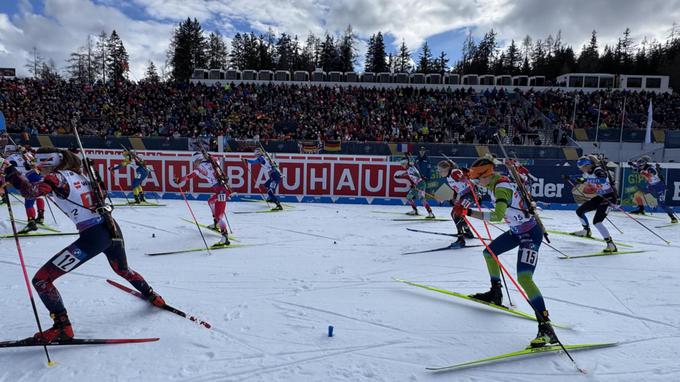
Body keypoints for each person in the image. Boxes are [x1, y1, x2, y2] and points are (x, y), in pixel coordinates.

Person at [1, 147, 164, 343]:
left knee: (42, 281)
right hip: (111, 228)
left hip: (93, 237)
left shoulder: (56, 178)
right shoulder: (80, 175)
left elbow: (30, 192)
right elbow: (100, 192)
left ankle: (63, 328)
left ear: (48, 162)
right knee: (122, 269)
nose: (36, 165)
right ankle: (152, 295)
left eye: (39, 161)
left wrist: (10, 171)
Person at [454, 157, 557, 348]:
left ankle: (546, 328)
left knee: (525, 278)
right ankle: (496, 293)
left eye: (478, 178)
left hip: (529, 234)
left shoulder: (501, 187)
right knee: (489, 253)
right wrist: (466, 176)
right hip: (517, 231)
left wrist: (467, 213)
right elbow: (472, 180)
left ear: (487, 174)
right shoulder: (492, 181)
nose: (476, 182)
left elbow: (497, 216)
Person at [565, 155, 618, 253]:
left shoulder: (598, 170)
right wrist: (570, 177)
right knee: (579, 211)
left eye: (582, 167)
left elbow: (602, 180)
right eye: (580, 168)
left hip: (610, 197)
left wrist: (586, 181)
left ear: (588, 165)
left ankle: (611, 245)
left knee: (597, 222)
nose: (581, 169)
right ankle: (586, 231)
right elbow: (582, 178)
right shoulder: (587, 173)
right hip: (601, 197)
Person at [179, 152, 231, 246]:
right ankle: (216, 224)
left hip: (221, 191)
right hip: (223, 189)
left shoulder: (201, 167)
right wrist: (209, 156)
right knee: (211, 201)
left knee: (219, 216)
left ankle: (225, 237)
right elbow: (216, 160)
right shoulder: (213, 162)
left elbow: (191, 176)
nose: (194, 164)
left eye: (195, 162)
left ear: (198, 160)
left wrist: (180, 180)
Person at [4, 145, 46, 233]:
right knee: (39, 196)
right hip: (38, 176)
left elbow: (9, 171)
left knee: (29, 203)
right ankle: (40, 216)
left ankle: (31, 223)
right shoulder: (27, 154)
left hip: (28, 180)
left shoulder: (9, 158)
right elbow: (35, 163)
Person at [628, 156, 677, 224]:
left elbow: (649, 176)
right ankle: (641, 209)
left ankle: (672, 217)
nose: (639, 166)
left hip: (659, 186)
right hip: (651, 186)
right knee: (637, 194)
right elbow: (637, 167)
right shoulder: (642, 166)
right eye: (638, 165)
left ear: (644, 164)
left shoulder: (651, 168)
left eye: (640, 166)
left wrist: (640, 172)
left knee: (661, 203)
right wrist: (631, 164)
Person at [436, 160, 474, 247]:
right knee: (457, 213)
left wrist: (464, 176)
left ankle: (461, 239)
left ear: (446, 169)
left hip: (470, 194)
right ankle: (468, 232)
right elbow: (457, 190)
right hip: (464, 195)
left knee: (456, 213)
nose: (439, 172)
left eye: (440, 170)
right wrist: (452, 199)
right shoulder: (448, 177)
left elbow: (467, 181)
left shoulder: (454, 172)